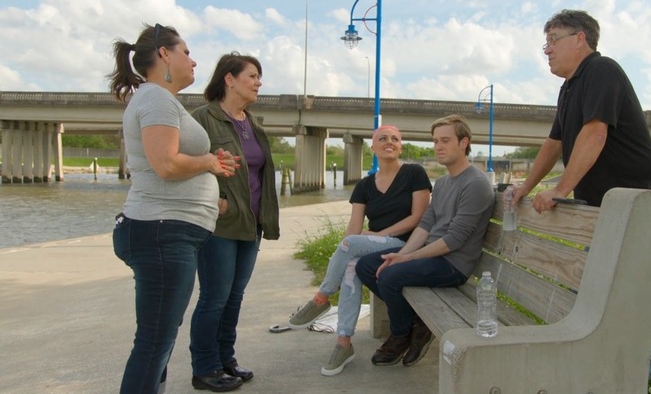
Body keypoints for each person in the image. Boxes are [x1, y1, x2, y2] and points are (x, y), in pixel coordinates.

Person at [508, 9, 651, 376]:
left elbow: (595, 132)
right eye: (544, 43)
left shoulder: (602, 70)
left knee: (622, 287)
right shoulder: (570, 87)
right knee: (606, 286)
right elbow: (554, 143)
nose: (546, 50)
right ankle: (637, 362)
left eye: (552, 41)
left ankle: (645, 367)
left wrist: (561, 188)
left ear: (580, 38)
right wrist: (525, 187)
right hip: (602, 207)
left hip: (633, 204)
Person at [108, 23, 239, 394]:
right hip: (161, 233)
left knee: (158, 342)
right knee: (154, 343)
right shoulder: (156, 99)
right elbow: (165, 164)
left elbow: (167, 163)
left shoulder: (160, 100)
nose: (193, 59)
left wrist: (209, 166)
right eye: (186, 51)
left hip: (167, 232)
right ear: (164, 55)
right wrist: (210, 163)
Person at [287, 124, 432, 376]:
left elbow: (418, 218)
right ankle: (343, 342)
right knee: (352, 266)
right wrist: (345, 254)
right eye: (383, 138)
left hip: (407, 244)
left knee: (353, 245)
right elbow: (353, 229)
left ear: (400, 146)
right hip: (377, 246)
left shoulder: (414, 173)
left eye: (395, 139)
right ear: (373, 147)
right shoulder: (364, 185)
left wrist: (378, 235)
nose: (390, 142)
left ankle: (322, 298)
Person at [355, 114, 495, 368]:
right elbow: (425, 225)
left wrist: (406, 258)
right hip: (433, 256)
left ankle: (400, 335)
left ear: (464, 143)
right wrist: (402, 254)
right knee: (366, 265)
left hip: (453, 264)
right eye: (435, 141)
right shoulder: (441, 183)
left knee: (389, 276)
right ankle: (417, 324)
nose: (438, 146)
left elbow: (455, 239)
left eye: (445, 140)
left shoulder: (475, 183)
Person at [188, 52, 281, 392]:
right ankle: (205, 368)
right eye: (252, 76)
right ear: (229, 78)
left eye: (259, 76)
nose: (258, 82)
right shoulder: (202, 119)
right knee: (214, 297)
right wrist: (212, 199)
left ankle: (226, 359)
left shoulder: (252, 123)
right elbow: (183, 163)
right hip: (219, 224)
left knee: (234, 297)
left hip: (251, 224)